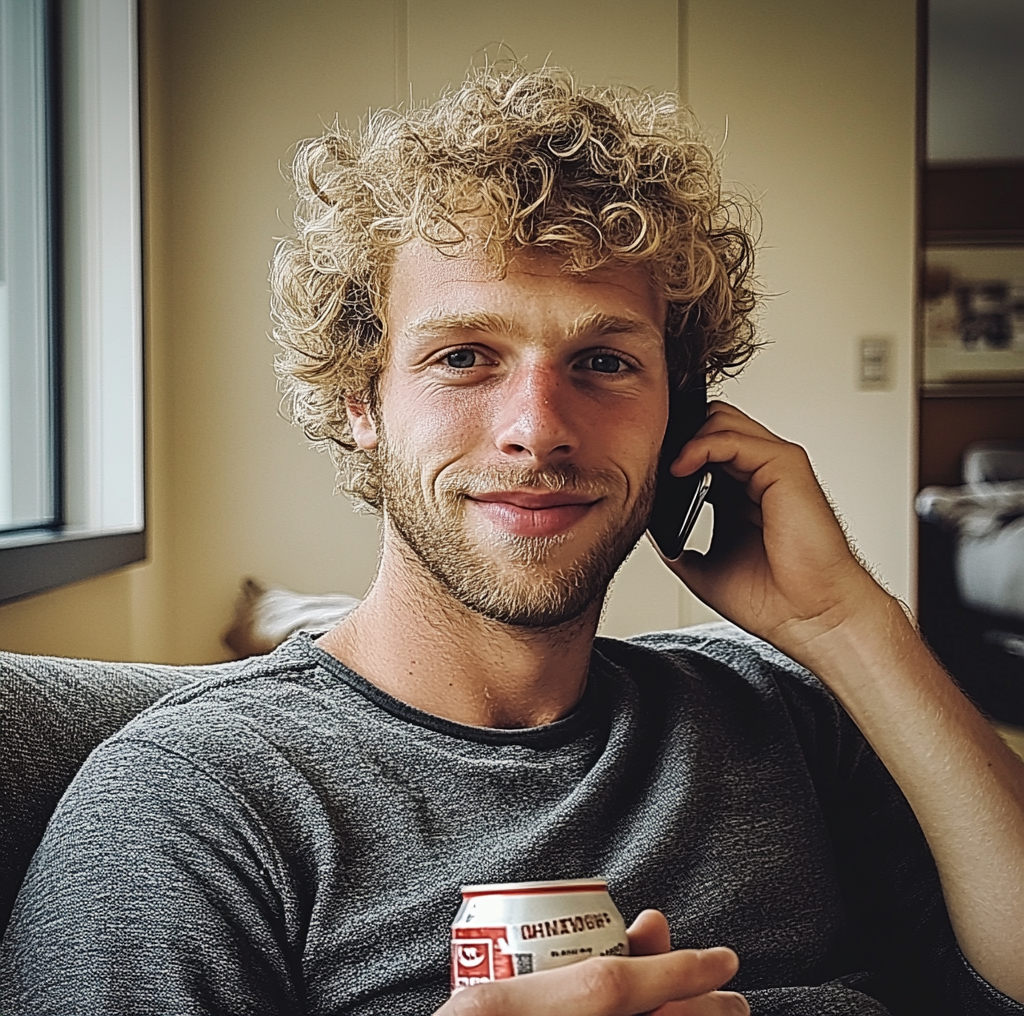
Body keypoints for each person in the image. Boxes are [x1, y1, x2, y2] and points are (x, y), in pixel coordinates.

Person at [2, 65, 1023, 1016]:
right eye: (463, 356)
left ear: (683, 407)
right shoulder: (190, 805)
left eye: (605, 362)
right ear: (362, 400)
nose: (538, 424)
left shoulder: (783, 714)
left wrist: (846, 622)